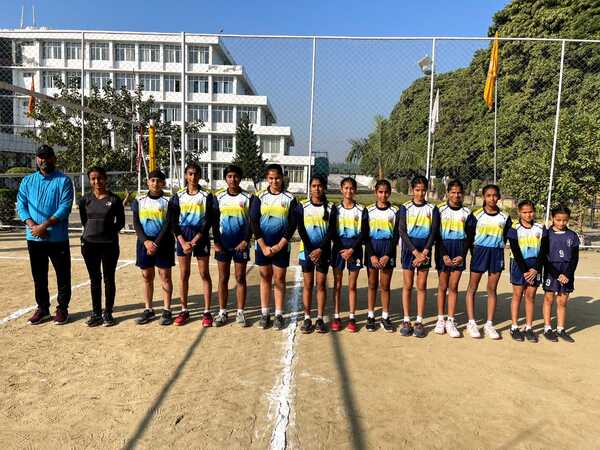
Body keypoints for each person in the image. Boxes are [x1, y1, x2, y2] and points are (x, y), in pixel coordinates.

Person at [17, 145, 74, 325]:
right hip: (34, 237)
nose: (44, 160)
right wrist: (33, 225)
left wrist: (45, 225)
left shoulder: (63, 181)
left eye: (47, 157)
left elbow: (65, 207)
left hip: (57, 238)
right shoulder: (27, 181)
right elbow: (21, 205)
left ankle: (62, 309)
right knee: (39, 275)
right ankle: (42, 308)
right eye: (41, 157)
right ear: (36, 159)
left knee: (63, 275)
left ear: (54, 159)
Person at [250, 164, 297, 330]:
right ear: (267, 179)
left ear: (282, 177)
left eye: (277, 178)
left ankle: (278, 314)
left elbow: (292, 225)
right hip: (263, 246)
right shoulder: (259, 196)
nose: (274, 181)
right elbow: (254, 222)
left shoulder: (289, 198)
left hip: (281, 247)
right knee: (265, 278)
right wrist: (263, 246)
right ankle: (265, 313)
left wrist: (279, 246)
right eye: (271, 178)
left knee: (279, 279)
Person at [78, 166, 125, 327]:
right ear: (90, 180)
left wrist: (108, 232)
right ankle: (96, 313)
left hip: (109, 245)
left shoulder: (114, 199)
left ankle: (108, 313)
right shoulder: (85, 200)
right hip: (90, 245)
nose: (97, 181)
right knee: (94, 279)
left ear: (105, 179)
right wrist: (92, 233)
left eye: (100, 178)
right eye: (93, 178)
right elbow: (85, 221)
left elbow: (121, 222)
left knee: (109, 279)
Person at [464, 184, 512, 339]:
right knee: (473, 287)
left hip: (496, 254)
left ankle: (489, 324)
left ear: (499, 197)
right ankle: (471, 322)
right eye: (489, 195)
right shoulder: (476, 215)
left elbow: (505, 236)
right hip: (479, 252)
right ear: (483, 197)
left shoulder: (505, 217)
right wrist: (475, 252)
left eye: (495, 195)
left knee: (492, 288)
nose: (492, 198)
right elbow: (469, 236)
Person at [169, 163, 214, 327]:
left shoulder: (206, 196)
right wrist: (182, 241)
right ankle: (184, 310)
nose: (193, 177)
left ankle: (207, 312)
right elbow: (173, 221)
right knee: (184, 274)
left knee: (204, 274)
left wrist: (194, 241)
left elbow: (208, 220)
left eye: (196, 174)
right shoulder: (178, 196)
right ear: (186, 175)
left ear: (200, 176)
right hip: (183, 237)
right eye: (190, 174)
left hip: (200, 236)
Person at [131, 170, 175, 326]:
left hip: (163, 243)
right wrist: (145, 242)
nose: (155, 183)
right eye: (152, 180)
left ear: (163, 183)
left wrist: (155, 243)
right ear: (147, 182)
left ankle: (167, 310)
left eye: (159, 181)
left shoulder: (168, 201)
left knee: (165, 276)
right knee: (147, 276)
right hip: (144, 244)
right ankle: (148, 309)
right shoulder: (139, 200)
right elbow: (136, 223)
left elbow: (168, 224)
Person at [398, 175, 440, 338]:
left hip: (425, 252)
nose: (420, 193)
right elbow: (402, 231)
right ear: (412, 190)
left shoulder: (432, 209)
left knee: (421, 285)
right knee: (408, 285)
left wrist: (425, 252)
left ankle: (419, 320)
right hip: (410, 251)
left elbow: (433, 232)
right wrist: (415, 252)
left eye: (423, 190)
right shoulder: (405, 208)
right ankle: (406, 319)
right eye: (417, 190)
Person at [212, 165, 253, 327]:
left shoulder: (248, 198)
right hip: (223, 244)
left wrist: (245, 240)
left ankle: (240, 312)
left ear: (240, 178)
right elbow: (214, 222)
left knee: (240, 277)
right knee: (223, 278)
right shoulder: (219, 197)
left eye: (236, 176)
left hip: (241, 244)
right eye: (229, 176)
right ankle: (222, 311)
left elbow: (251, 223)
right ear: (225, 178)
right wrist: (216, 241)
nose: (232, 179)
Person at [296, 175, 335, 334]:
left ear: (324, 187)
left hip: (323, 251)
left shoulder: (331, 207)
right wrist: (312, 249)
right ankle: (307, 317)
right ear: (309, 187)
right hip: (306, 251)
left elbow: (331, 231)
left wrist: (320, 249)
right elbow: (301, 229)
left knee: (320, 284)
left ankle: (319, 318)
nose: (317, 189)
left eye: (319, 186)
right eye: (313, 186)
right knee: (307, 284)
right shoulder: (302, 206)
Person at [434, 179, 470, 338]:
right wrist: (443, 254)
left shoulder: (467, 213)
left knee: (453, 286)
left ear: (463, 194)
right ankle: (440, 319)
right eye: (453, 192)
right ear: (448, 193)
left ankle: (451, 320)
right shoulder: (439, 210)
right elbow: (436, 234)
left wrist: (462, 255)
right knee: (443, 285)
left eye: (459, 193)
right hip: (444, 250)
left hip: (459, 251)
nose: (456, 195)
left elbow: (469, 237)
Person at [507, 200, 546, 342]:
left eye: (530, 211)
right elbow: (515, 250)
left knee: (530, 296)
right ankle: (514, 326)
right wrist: (524, 270)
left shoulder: (541, 227)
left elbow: (543, 250)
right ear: (519, 213)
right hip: (519, 266)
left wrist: (535, 268)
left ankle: (529, 327)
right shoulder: (514, 228)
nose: (528, 214)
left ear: (534, 211)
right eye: (524, 212)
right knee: (517, 295)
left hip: (535, 266)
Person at [330, 177, 365, 333]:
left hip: (355, 250)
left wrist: (351, 250)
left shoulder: (361, 210)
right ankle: (336, 316)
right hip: (339, 249)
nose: (349, 191)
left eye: (351, 188)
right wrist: (342, 249)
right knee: (337, 285)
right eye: (346, 188)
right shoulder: (335, 209)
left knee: (352, 285)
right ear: (341, 189)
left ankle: (351, 317)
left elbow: (363, 233)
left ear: (355, 190)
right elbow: (332, 231)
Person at [364, 179, 399, 332]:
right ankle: (371, 315)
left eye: (386, 192)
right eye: (380, 192)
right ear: (375, 193)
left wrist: (387, 255)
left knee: (385, 285)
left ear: (389, 193)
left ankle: (385, 316)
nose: (383, 195)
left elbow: (396, 235)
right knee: (372, 284)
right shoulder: (369, 210)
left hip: (387, 250)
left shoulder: (395, 211)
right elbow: (365, 234)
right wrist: (371, 255)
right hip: (373, 249)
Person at [542, 205, 579, 343]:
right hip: (552, 271)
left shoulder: (572, 235)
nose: (561, 223)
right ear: (553, 218)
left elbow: (575, 258)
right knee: (549, 299)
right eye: (558, 220)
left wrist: (567, 274)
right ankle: (547, 328)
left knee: (562, 301)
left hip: (567, 272)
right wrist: (557, 274)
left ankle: (560, 329)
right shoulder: (547, 234)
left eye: (564, 220)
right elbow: (544, 257)